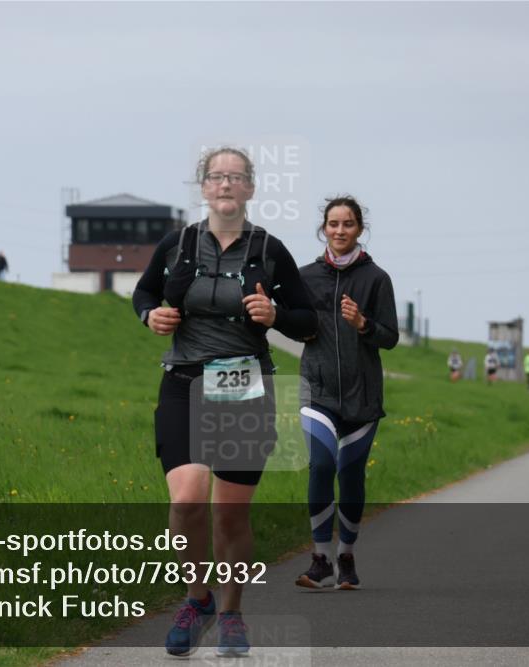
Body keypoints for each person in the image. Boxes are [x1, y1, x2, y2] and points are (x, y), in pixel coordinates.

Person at [132, 147, 316, 657]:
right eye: (217, 176)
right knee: (187, 499)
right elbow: (144, 293)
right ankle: (198, 600)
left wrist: (275, 314)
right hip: (184, 381)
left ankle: (232, 613)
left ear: (250, 188)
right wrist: (150, 315)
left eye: (236, 177)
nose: (226, 184)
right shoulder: (177, 244)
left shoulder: (270, 249)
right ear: (204, 187)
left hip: (243, 386)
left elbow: (307, 320)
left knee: (229, 515)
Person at [293, 195, 398, 591]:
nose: (340, 231)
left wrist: (362, 324)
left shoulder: (377, 279)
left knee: (350, 474)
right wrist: (293, 325)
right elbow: (291, 322)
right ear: (324, 228)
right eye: (333, 224)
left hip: (361, 396)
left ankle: (346, 555)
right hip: (318, 390)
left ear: (359, 229)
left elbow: (390, 337)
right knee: (321, 466)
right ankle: (321, 559)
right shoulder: (305, 277)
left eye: (348, 224)